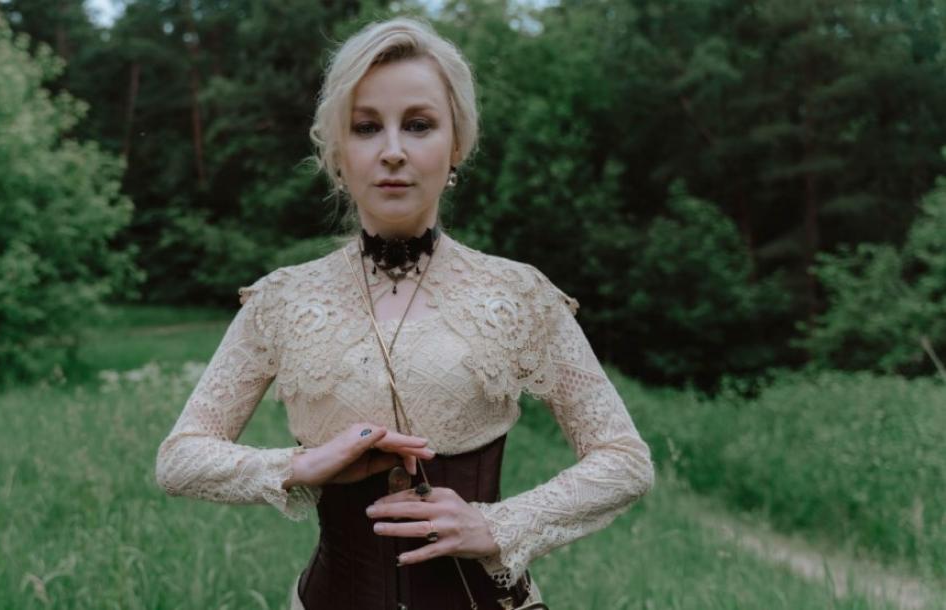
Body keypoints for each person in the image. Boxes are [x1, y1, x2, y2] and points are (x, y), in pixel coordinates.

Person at [155, 16, 655, 610]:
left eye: (418, 125)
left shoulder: (519, 294)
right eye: (366, 127)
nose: (392, 151)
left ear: (457, 145)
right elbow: (180, 458)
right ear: (338, 152)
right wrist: (301, 465)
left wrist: (498, 525)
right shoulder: (281, 300)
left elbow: (624, 460)